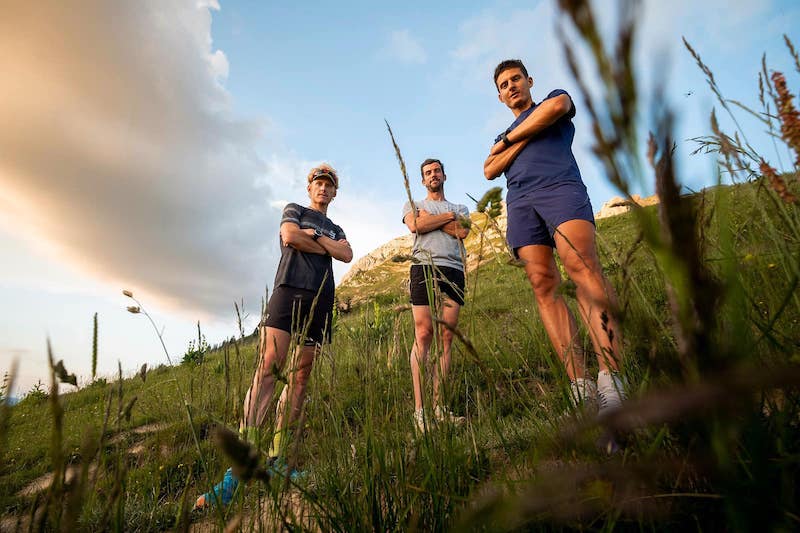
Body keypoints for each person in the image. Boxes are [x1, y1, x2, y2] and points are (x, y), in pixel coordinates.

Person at [196, 164, 352, 508]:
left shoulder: (337, 227)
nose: (323, 189)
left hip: (321, 297)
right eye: (318, 183)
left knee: (300, 378)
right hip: (289, 291)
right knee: (268, 369)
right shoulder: (294, 210)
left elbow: (347, 254)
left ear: (335, 192)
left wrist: (316, 239)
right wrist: (322, 243)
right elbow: (290, 237)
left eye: (329, 185)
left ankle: (279, 461)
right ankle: (238, 470)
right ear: (310, 188)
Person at [484, 59, 626, 417]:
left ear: (529, 81)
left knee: (582, 268)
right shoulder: (500, 136)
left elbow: (559, 107)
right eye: (503, 84)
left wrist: (511, 139)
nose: (511, 86)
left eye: (516, 78)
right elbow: (489, 169)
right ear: (499, 97)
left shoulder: (553, 99)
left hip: (559, 188)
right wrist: (522, 135)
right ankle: (581, 389)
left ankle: (612, 380)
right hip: (520, 202)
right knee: (543, 284)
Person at [402, 158, 470, 433]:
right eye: (428, 173)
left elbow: (462, 231)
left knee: (446, 337)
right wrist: (442, 220)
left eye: (437, 171)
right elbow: (414, 226)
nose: (433, 175)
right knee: (424, 333)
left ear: (444, 175)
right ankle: (421, 412)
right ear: (422, 180)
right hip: (423, 267)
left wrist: (429, 220)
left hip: (453, 269)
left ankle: (440, 407)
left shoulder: (460, 208)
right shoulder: (412, 204)